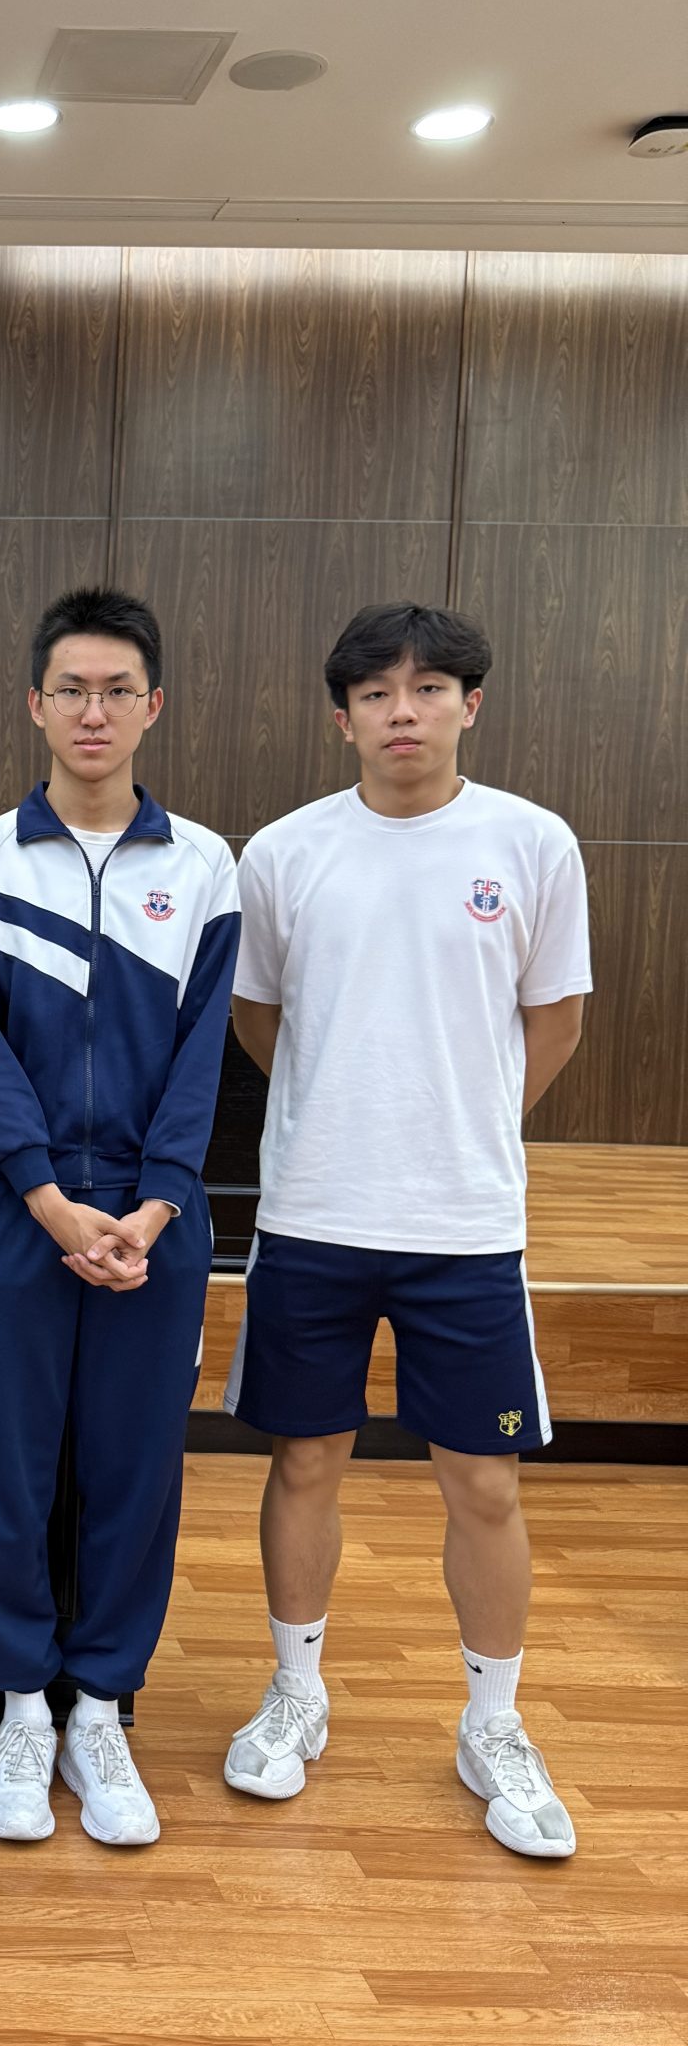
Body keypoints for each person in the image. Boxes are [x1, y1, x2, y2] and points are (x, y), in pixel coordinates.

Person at [222, 603, 590, 1859]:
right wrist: (346, 1112)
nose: (403, 712)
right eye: (376, 693)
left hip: (465, 1226)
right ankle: (296, 1692)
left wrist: (465, 1121)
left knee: (482, 1479)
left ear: (469, 704)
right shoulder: (285, 852)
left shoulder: (532, 842)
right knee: (305, 1461)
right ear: (343, 718)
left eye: (429, 689)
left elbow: (556, 1018)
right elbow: (260, 1018)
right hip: (314, 1211)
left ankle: (494, 1722)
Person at [0, 588, 239, 1847]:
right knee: (9, 1469)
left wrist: (154, 1206)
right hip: (18, 1213)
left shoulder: (205, 865)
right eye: (73, 689)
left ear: (153, 705)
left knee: (135, 1469)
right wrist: (54, 1203)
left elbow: (205, 1058)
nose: (95, 711)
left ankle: (102, 1707)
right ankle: (22, 1705)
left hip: (158, 1221)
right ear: (36, 704)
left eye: (119, 690)